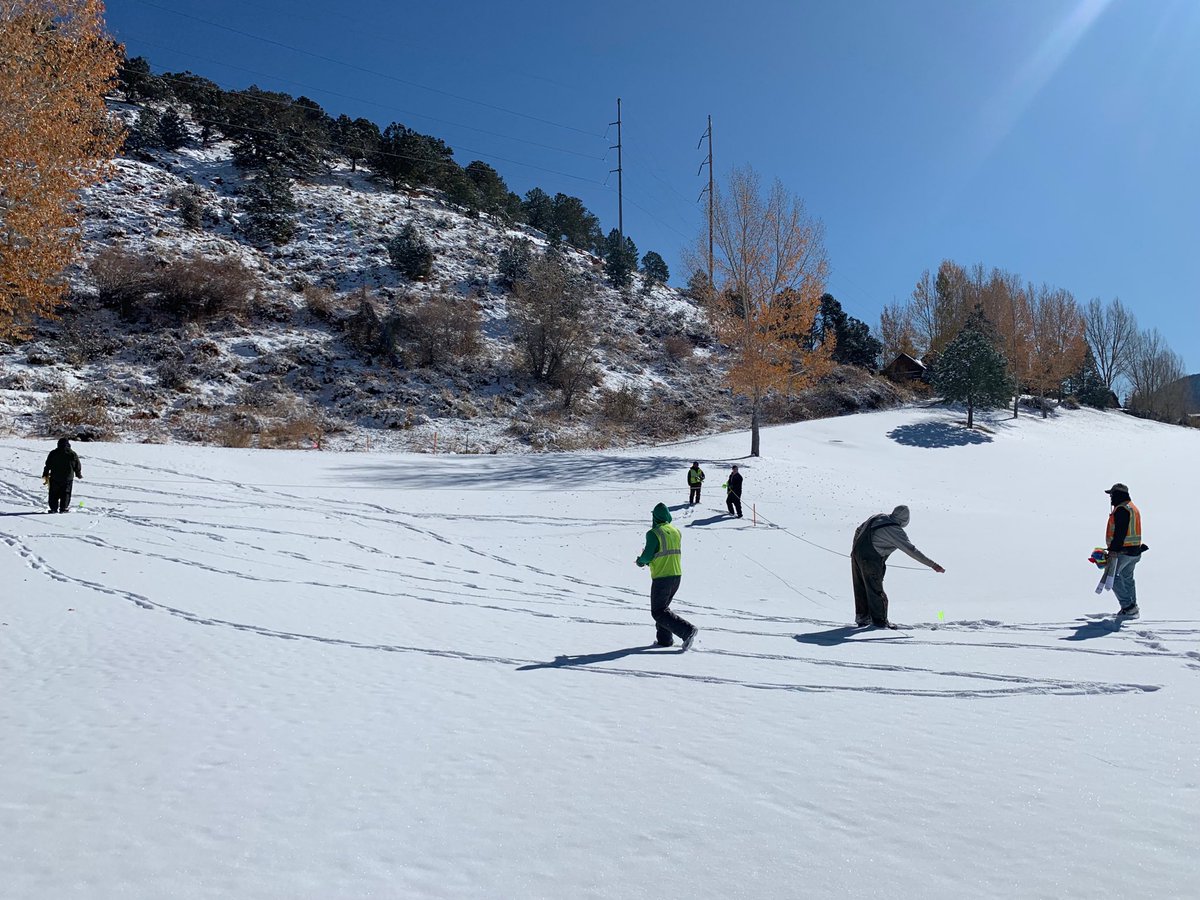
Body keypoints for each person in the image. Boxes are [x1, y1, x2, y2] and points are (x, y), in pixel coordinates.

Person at [850, 505, 944, 628]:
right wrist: (933, 565)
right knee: (875, 589)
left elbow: (858, 530)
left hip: (857, 554)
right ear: (905, 520)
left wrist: (855, 550)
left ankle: (862, 618)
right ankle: (880, 621)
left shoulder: (878, 517)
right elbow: (912, 551)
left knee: (860, 586)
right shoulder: (895, 530)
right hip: (871, 560)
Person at [635, 502, 699, 650]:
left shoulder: (653, 533)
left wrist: (640, 561)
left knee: (658, 612)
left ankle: (687, 631)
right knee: (663, 609)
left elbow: (648, 555)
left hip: (662, 577)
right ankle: (664, 640)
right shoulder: (676, 531)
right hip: (676, 575)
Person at [1103, 482, 1147, 617]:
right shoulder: (1132, 508)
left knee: (1111, 578)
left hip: (1123, 552)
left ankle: (1128, 607)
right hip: (1134, 552)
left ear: (1118, 495)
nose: (1110, 497)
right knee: (1127, 578)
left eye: (1112, 494)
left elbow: (1120, 532)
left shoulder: (1122, 509)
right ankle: (1133, 607)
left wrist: (1114, 550)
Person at [42, 437, 82, 514]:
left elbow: (48, 465)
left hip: (55, 477)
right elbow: (77, 465)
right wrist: (78, 474)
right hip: (68, 478)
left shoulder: (53, 453)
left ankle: (53, 508)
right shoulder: (72, 453)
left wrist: (45, 473)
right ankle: (63, 508)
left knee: (53, 493)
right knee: (66, 493)